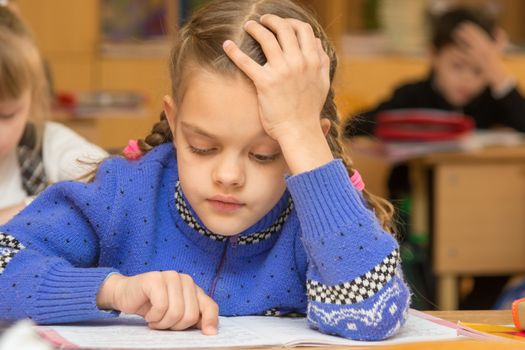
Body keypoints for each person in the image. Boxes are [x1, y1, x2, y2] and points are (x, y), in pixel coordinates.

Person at [0, 0, 410, 341]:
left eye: (264, 154)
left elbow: (372, 313)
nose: (228, 175)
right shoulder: (123, 194)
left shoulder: (313, 219)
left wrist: (303, 139)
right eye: (203, 147)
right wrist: (114, 290)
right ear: (174, 123)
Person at [0, 6, 107, 224]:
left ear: (33, 96)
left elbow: (113, 186)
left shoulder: (44, 144)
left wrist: (20, 211)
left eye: (7, 115)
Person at [345, 7, 525, 137]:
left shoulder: (493, 101)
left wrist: (497, 72)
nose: (467, 80)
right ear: (434, 55)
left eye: (479, 70)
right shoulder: (412, 96)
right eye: (457, 66)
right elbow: (355, 126)